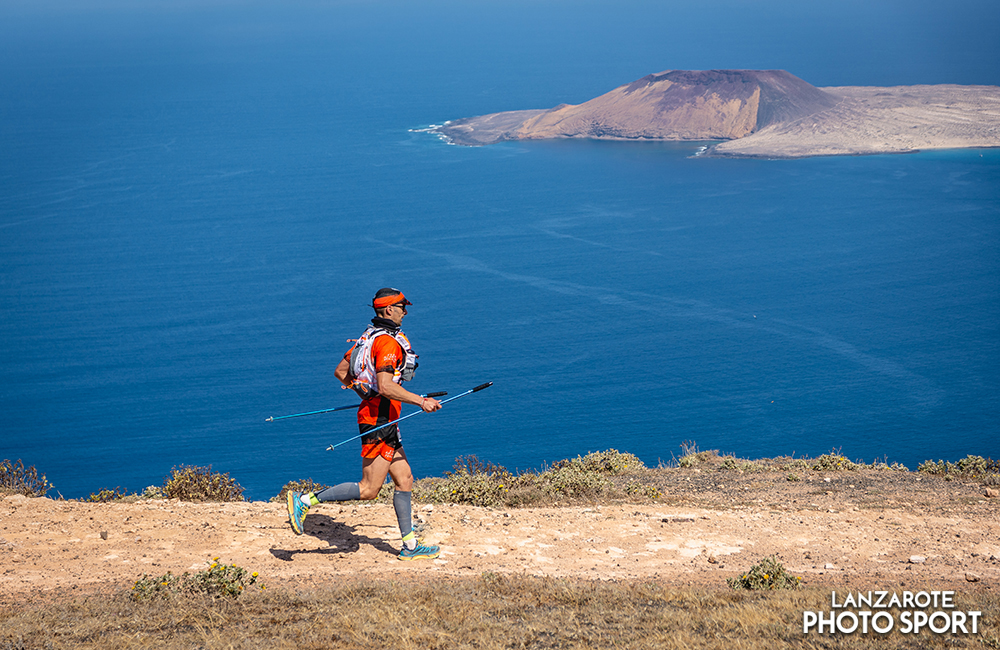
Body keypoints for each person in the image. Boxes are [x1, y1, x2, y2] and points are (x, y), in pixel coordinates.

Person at [286, 288, 443, 560]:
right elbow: (385, 386)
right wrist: (420, 401)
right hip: (379, 419)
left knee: (404, 479)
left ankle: (410, 547)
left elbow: (341, 372)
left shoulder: (368, 337)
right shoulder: (388, 344)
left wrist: (363, 393)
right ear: (389, 310)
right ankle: (304, 501)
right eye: (402, 307)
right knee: (369, 489)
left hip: (382, 416)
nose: (406, 311)